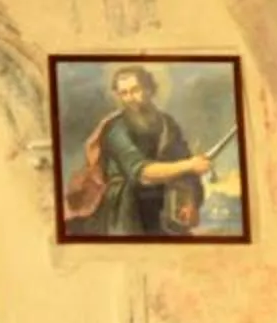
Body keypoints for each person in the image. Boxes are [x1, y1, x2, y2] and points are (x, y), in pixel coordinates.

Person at [62, 66, 217, 238]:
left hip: (165, 208)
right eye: (124, 93)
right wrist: (190, 165)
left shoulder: (168, 124)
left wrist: (191, 202)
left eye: (135, 90)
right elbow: (142, 172)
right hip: (126, 210)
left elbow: (188, 173)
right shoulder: (116, 128)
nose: (130, 99)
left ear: (150, 89)